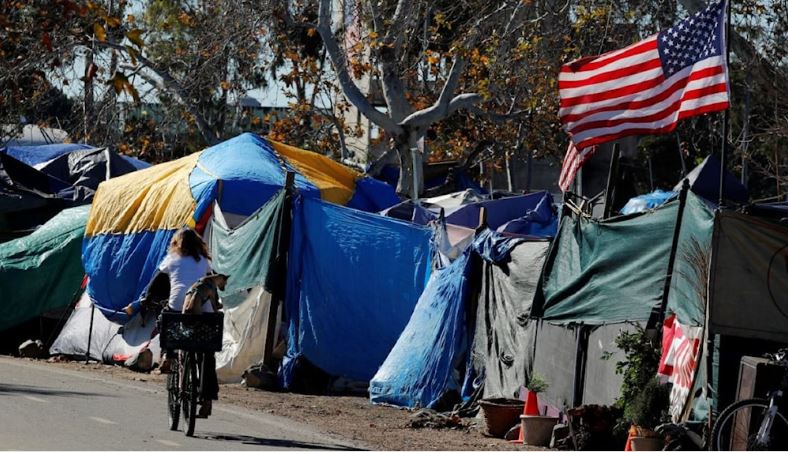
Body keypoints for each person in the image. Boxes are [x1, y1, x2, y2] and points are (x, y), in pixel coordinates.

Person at [158, 228, 212, 373]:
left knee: (165, 319)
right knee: (206, 330)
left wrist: (146, 298)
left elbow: (158, 279)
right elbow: (211, 280)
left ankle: (168, 355)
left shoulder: (172, 258)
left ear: (176, 243)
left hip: (177, 303)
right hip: (201, 305)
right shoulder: (203, 260)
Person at [182, 272, 229, 418]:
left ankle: (188, 386)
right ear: (220, 278)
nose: (223, 286)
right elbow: (214, 309)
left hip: (188, 330)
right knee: (208, 360)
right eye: (224, 283)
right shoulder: (210, 287)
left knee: (197, 357)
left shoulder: (194, 286)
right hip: (203, 332)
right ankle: (207, 399)